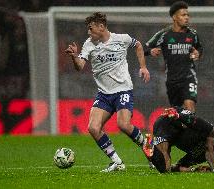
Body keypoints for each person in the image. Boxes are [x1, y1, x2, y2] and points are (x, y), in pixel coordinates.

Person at [65, 12, 151, 172]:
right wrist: (74, 56)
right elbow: (80, 66)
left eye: (90, 29)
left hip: (123, 89)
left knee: (123, 125)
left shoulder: (122, 38)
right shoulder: (89, 44)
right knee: (93, 128)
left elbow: (138, 45)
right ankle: (117, 162)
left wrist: (143, 67)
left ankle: (148, 146)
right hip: (104, 94)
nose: (88, 32)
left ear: (101, 26)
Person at [144, 1, 203, 112]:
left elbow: (199, 48)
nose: (187, 18)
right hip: (172, 80)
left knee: (190, 107)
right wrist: (150, 51)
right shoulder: (164, 34)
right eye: (183, 15)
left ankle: (192, 128)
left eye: (187, 15)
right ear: (174, 17)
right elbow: (143, 48)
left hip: (188, 77)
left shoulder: (193, 34)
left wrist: (198, 53)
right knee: (177, 113)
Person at [143, 107, 214, 173]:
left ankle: (150, 146)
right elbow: (196, 121)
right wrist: (178, 115)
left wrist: (194, 170)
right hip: (170, 122)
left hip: (172, 137)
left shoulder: (201, 157)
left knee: (165, 168)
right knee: (162, 159)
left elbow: (178, 166)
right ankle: (152, 147)